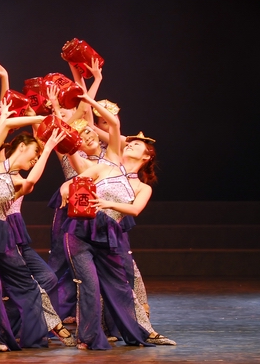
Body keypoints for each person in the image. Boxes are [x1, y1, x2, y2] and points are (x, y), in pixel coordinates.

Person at [59, 131, 174, 349]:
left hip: (108, 235)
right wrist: (66, 189)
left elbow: (135, 210)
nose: (130, 145)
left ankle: (144, 332)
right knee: (89, 286)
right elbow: (74, 181)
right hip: (81, 231)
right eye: (129, 143)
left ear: (147, 156)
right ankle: (88, 338)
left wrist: (108, 204)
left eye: (137, 144)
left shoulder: (142, 187)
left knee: (120, 286)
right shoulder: (105, 168)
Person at [0, 99, 65, 351]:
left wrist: (47, 149)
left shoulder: (19, 181)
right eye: (34, 154)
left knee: (28, 287)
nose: (35, 159)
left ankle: (33, 339)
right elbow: (6, 125)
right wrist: (40, 119)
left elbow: (31, 181)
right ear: (21, 147)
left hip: (2, 235)